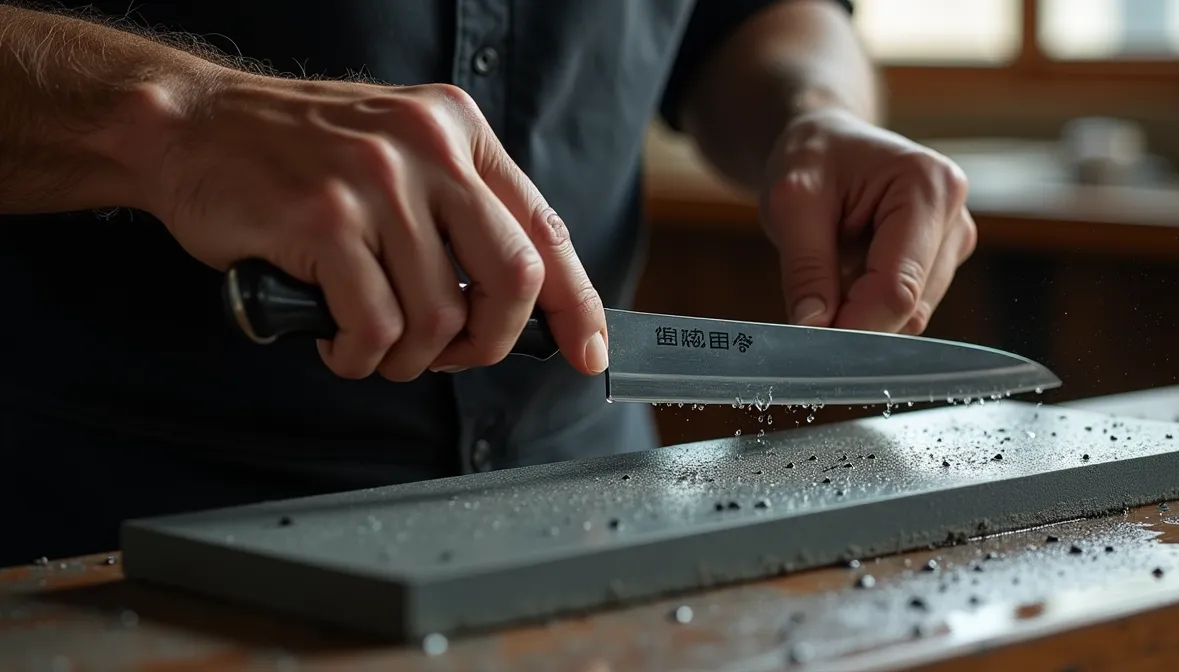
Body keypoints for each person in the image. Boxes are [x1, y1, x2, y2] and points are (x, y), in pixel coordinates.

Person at [0, 0, 977, 566]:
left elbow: (750, 16)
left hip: (605, 526)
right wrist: (176, 116)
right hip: (113, 540)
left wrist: (815, 112)